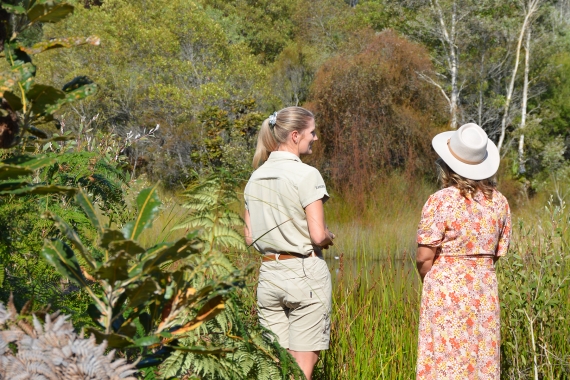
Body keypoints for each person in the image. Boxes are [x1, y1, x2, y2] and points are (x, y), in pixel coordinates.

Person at [243, 106, 335, 379]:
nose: (315, 138)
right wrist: (329, 236)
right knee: (301, 371)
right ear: (295, 135)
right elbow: (318, 235)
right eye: (312, 133)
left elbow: (249, 237)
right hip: (304, 273)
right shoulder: (307, 174)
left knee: (275, 368)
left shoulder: (255, 177)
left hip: (269, 275)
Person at [415, 123, 511, 379]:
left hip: (445, 289)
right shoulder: (500, 202)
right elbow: (499, 252)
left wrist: (436, 278)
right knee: (481, 358)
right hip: (484, 289)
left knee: (444, 358)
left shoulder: (441, 200)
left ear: (447, 165)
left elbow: (424, 257)